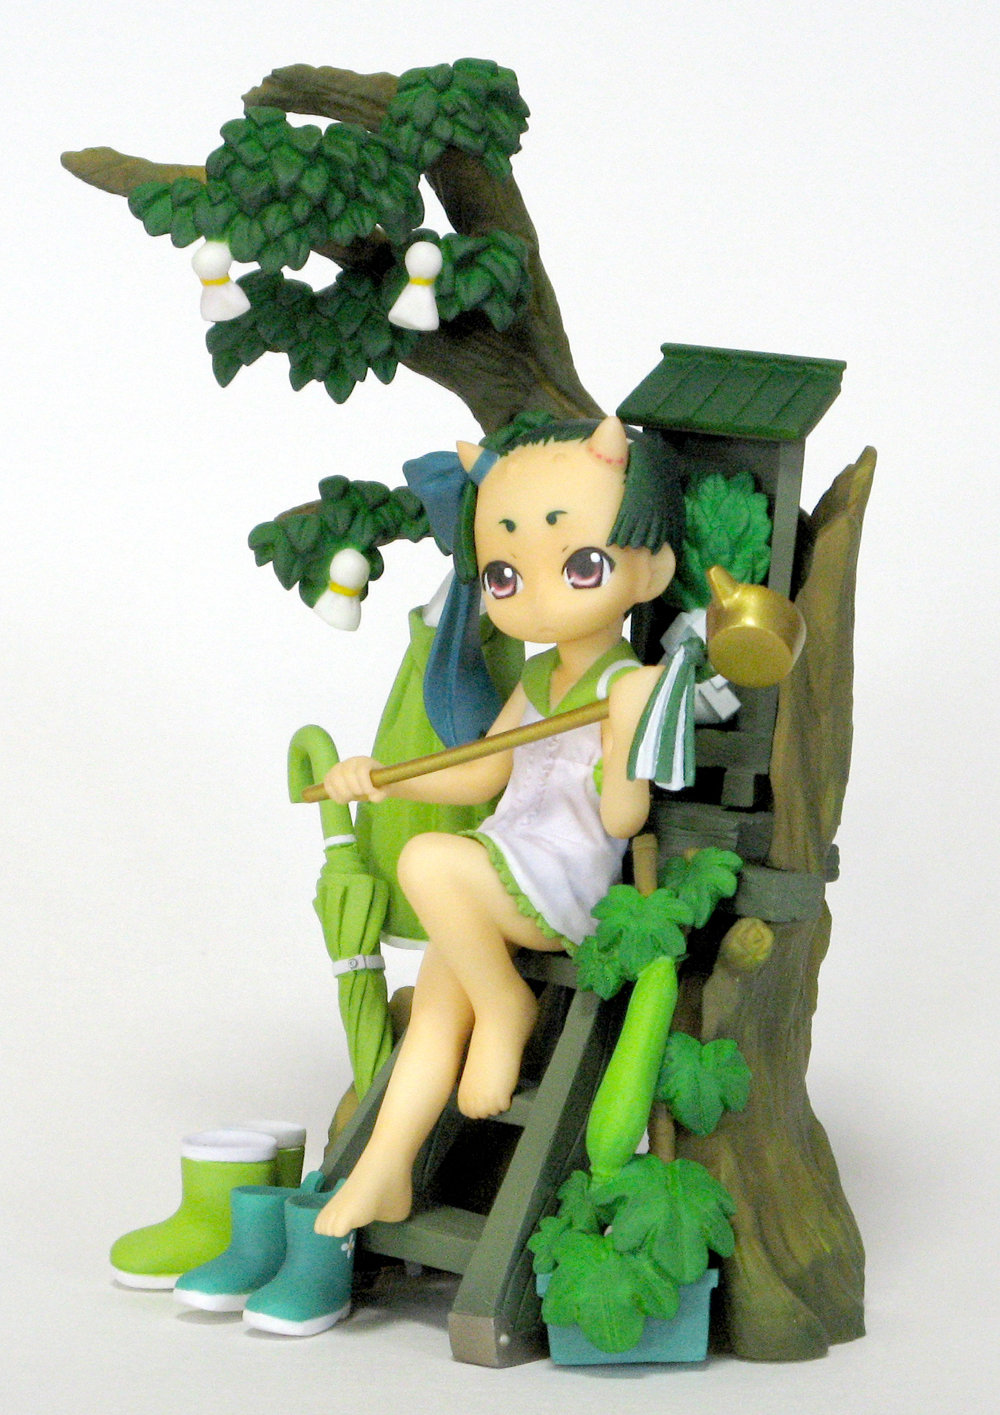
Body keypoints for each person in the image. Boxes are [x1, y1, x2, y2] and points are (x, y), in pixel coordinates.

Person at [314, 415, 683, 1237]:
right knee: (435, 1010)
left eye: (579, 566)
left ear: (649, 567)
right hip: (505, 860)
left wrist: (627, 730)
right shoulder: (543, 674)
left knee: (428, 861)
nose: (540, 596)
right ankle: (385, 1171)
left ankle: (506, 1005)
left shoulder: (625, 682)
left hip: (566, 881)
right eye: (506, 575)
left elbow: (623, 817)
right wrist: (381, 778)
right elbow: (483, 772)